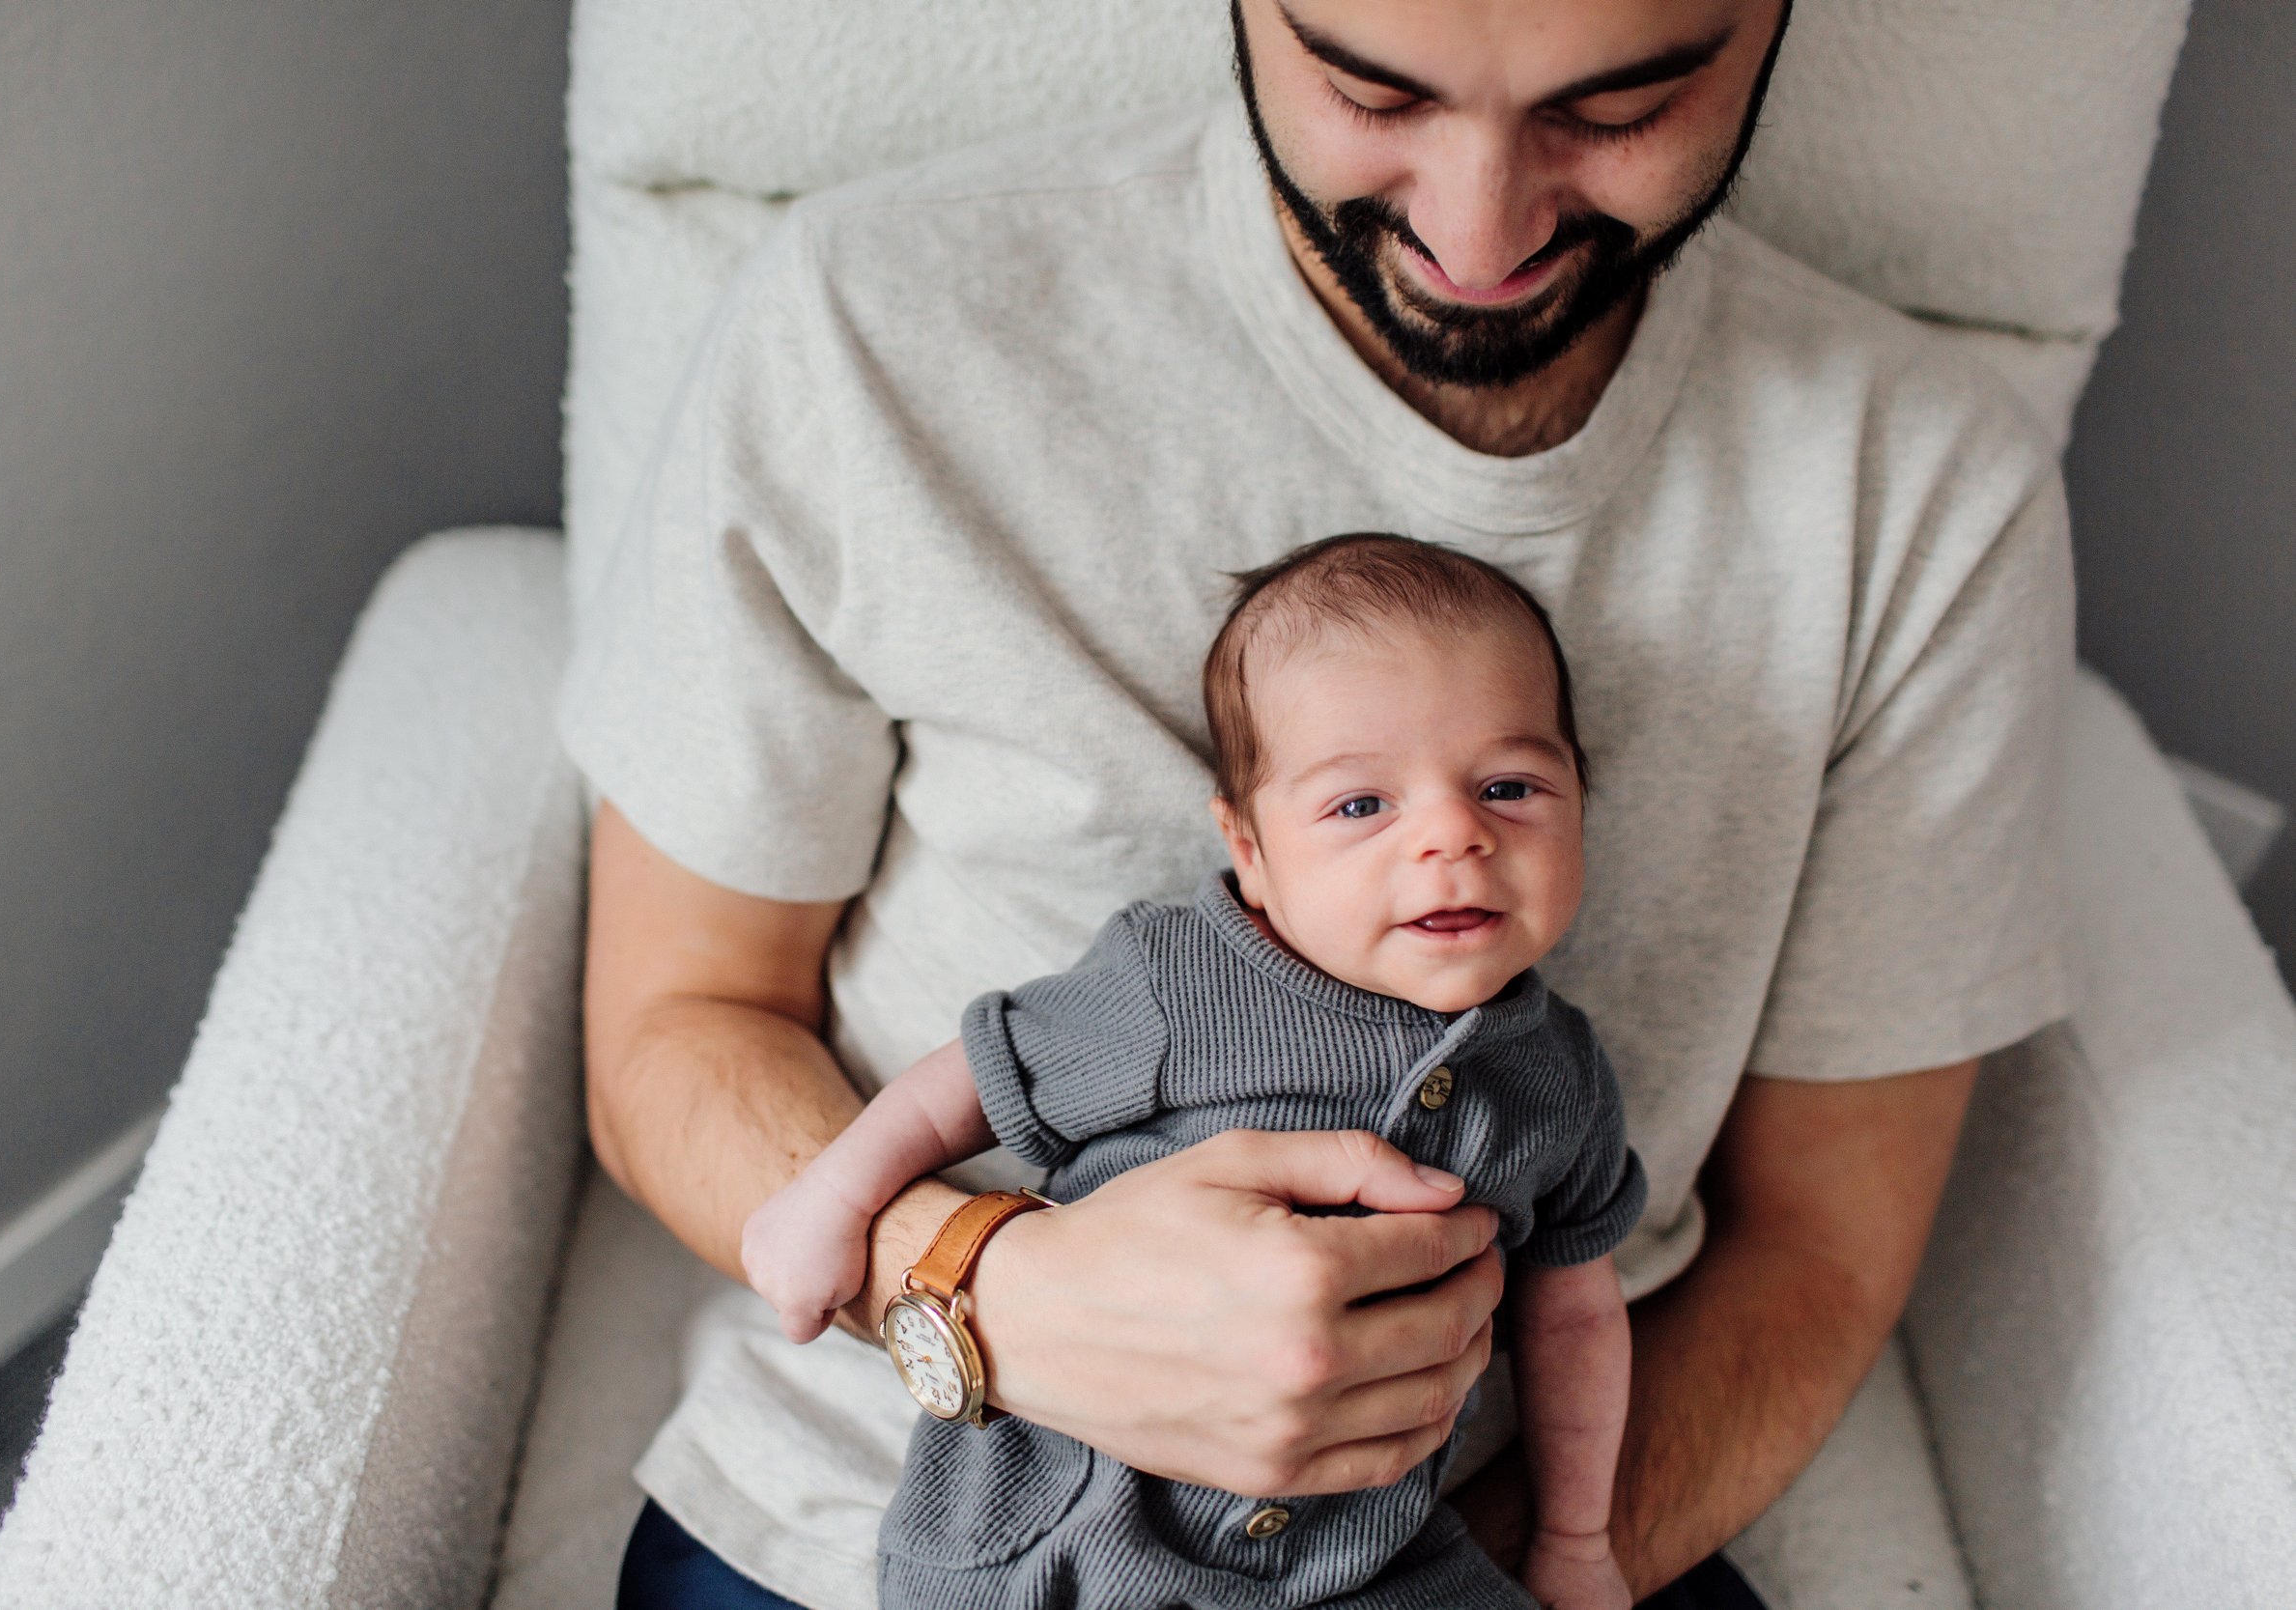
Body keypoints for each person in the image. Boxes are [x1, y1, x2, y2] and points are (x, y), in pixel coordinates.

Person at [561, 1, 2072, 1606]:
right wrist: (1002, 1289)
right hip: (889, 1510)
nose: (1478, 232)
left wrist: (1510, 1566)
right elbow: (678, 1022)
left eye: (1621, 104)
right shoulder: (867, 325)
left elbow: (1819, 1248)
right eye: (1372, 87)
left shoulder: (1922, 493)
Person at [744, 535, 1644, 1610]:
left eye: (1509, 786)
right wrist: (836, 1196)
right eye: (1361, 805)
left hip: (1364, 1559)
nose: (1453, 834)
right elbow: (980, 1078)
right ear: (1250, 849)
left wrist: (1578, 1537)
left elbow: (1576, 1315)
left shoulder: (1559, 1076)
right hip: (1062, 1527)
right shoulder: (1182, 979)